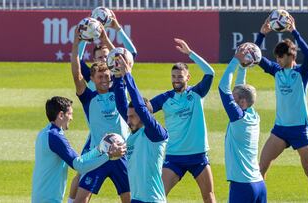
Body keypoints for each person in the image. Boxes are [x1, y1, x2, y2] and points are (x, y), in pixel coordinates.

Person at [68, 12, 137, 203]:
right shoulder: (88, 97)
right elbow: (76, 73)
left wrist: (106, 37)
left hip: (122, 153)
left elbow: (121, 59)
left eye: (107, 76)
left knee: (129, 199)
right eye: (100, 77)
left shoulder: (119, 90)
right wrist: (76, 42)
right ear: (92, 79)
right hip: (98, 153)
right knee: (81, 199)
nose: (105, 79)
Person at [255, 15, 308, 202]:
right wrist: (261, 34)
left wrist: (294, 32)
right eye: (276, 56)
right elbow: (256, 56)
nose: (276, 59)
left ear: (291, 56)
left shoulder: (302, 72)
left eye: (280, 56)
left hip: (300, 128)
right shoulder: (276, 71)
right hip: (281, 130)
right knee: (261, 168)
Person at [150, 38, 216, 202]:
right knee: (157, 197)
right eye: (173, 76)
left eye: (180, 76)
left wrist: (190, 53)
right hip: (174, 156)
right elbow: (145, 110)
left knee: (208, 196)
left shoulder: (197, 93)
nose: (176, 79)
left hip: (198, 156)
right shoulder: (165, 98)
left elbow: (210, 73)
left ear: (188, 77)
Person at [31, 96, 125, 203]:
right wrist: (108, 155)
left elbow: (79, 160)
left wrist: (99, 149)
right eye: (70, 114)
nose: (71, 118)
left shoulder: (46, 132)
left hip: (43, 198)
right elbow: (80, 166)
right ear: (61, 115)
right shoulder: (55, 137)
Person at [113, 54, 168, 202]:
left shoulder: (156, 134)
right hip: (136, 198)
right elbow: (120, 105)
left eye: (131, 117)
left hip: (152, 200)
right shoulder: (135, 130)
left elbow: (140, 107)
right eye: (128, 116)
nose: (128, 120)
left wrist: (127, 76)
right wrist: (117, 77)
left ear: (143, 117)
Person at [218, 45, 267, 203]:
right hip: (259, 184)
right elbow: (240, 86)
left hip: (243, 186)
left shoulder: (238, 118)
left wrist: (235, 60)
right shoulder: (253, 114)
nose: (231, 98)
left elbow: (222, 87)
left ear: (243, 102)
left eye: (235, 97)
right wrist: (243, 67)